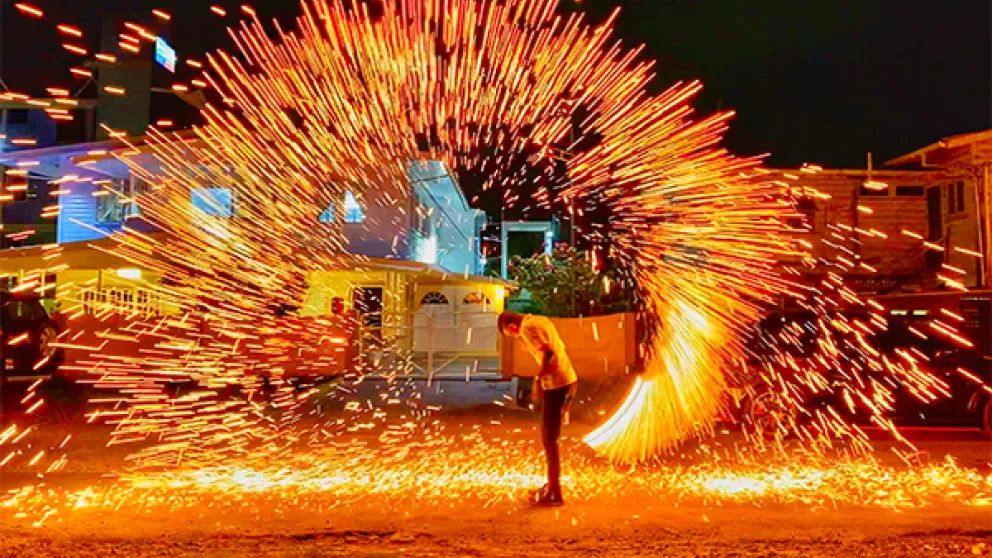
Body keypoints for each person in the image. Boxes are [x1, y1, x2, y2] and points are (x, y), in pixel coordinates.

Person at [498, 311, 578, 507]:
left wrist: (538, 379)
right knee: (551, 438)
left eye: (512, 335)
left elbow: (548, 352)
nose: (517, 338)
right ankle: (552, 485)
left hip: (556, 384)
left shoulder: (527, 328)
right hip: (568, 379)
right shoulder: (539, 319)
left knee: (549, 439)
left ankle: (554, 493)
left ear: (511, 327)